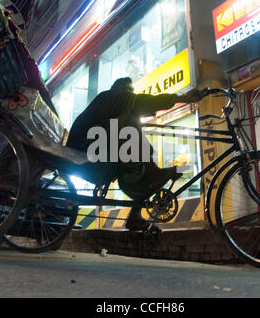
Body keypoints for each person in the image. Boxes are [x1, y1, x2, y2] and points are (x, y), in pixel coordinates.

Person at [67, 77, 204, 231]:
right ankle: (151, 173)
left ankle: (136, 213)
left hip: (96, 149)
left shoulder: (114, 108)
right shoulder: (108, 98)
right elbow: (141, 102)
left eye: (131, 91)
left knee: (131, 131)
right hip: (84, 150)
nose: (130, 93)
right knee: (129, 125)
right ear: (117, 90)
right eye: (127, 90)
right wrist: (183, 98)